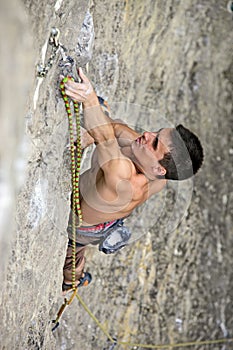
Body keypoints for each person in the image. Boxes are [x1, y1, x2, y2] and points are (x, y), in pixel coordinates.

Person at [62, 67, 204, 292]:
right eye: (156, 133)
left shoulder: (124, 178)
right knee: (113, 124)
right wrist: (93, 129)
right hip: (104, 218)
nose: (147, 134)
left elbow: (107, 137)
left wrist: (89, 99)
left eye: (155, 143)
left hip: (83, 226)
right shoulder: (156, 170)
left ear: (159, 168)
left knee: (74, 253)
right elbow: (117, 128)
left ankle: (71, 282)